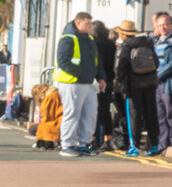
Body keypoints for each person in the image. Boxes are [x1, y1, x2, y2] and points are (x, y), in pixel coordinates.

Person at [53, 11, 98, 158]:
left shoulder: (89, 39)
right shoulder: (68, 39)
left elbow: (96, 61)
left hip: (88, 82)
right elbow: (63, 61)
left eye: (90, 23)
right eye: (87, 23)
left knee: (90, 114)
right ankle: (67, 145)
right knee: (72, 114)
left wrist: (101, 77)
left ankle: (84, 144)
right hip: (72, 83)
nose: (90, 26)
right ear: (78, 23)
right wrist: (82, 73)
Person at [113, 20, 160, 156]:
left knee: (134, 116)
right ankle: (153, 145)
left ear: (123, 34)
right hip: (150, 85)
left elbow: (118, 68)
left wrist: (122, 85)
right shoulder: (148, 44)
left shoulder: (125, 47)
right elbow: (155, 62)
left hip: (133, 87)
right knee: (151, 115)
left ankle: (135, 147)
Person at [152, 11, 172, 154]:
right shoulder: (157, 40)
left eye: (165, 24)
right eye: (160, 25)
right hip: (156, 83)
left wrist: (159, 75)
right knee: (160, 116)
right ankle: (163, 145)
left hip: (170, 82)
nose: (163, 27)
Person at [91, 18, 118, 152]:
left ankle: (94, 139)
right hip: (109, 80)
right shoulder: (111, 44)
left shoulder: (93, 44)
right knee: (105, 110)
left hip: (96, 80)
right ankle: (106, 140)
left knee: (93, 111)